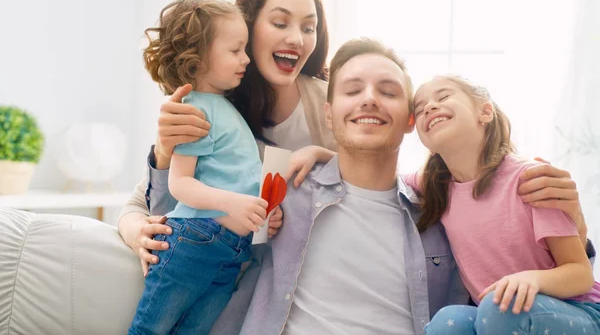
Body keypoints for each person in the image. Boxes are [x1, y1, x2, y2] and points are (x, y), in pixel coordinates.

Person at [148, 38, 594, 335]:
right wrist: (143, 206)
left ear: (408, 121)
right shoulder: (281, 182)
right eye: (353, 89)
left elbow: (520, 253)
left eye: (387, 90)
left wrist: (575, 222)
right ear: (328, 114)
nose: (368, 99)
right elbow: (189, 229)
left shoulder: (437, 208)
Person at [118, 0, 337, 273]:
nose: (296, 39)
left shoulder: (332, 104)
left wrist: (320, 154)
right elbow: (140, 208)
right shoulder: (211, 103)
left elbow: (367, 185)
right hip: (237, 282)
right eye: (279, 23)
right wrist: (138, 230)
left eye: (309, 28)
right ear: (246, 28)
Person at [406, 75, 600, 334]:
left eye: (443, 97)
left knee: (500, 307)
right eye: (420, 109)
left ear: (485, 112)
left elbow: (581, 274)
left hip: (576, 309)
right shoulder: (435, 186)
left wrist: (531, 279)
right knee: (447, 321)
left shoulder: (531, 179)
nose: (429, 107)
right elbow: (369, 173)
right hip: (497, 316)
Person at [127, 0, 272, 335]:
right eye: (235, 50)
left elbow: (238, 176)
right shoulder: (193, 110)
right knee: (150, 329)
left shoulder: (222, 107)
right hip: (196, 240)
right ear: (198, 57)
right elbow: (180, 184)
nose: (246, 59)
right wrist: (233, 203)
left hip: (229, 250)